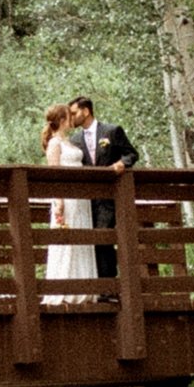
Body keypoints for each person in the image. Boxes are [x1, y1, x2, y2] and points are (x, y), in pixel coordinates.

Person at [70, 96, 140, 280]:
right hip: (86, 199)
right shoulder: (75, 139)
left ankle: (109, 285)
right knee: (91, 241)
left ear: (86, 111)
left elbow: (131, 154)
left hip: (110, 196)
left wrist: (121, 164)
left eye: (74, 113)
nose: (71, 117)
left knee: (103, 238)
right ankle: (99, 285)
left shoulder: (111, 131)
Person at [41, 102, 98, 303]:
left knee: (82, 238)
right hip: (66, 198)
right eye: (69, 115)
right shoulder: (55, 144)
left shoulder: (70, 142)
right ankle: (64, 290)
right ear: (63, 120)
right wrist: (59, 202)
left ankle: (86, 289)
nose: (73, 119)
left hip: (80, 198)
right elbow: (53, 174)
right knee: (67, 240)